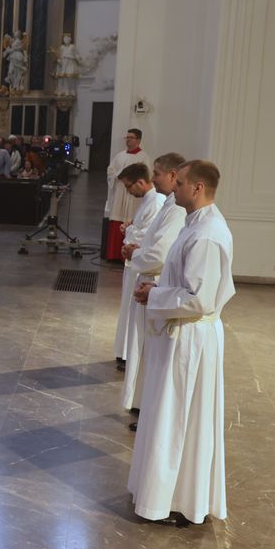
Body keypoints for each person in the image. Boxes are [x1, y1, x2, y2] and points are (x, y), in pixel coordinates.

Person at [129, 160, 234, 525]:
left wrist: (155, 296)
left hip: (191, 337)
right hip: (181, 333)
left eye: (182, 183)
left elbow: (200, 299)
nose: (175, 187)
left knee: (181, 421)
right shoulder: (195, 225)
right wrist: (158, 290)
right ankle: (165, 495)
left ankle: (182, 502)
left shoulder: (206, 234)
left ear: (199, 188)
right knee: (171, 417)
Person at [120, 153, 187, 418]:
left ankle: (144, 406)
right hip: (149, 280)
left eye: (157, 173)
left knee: (148, 350)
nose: (153, 178)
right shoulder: (169, 203)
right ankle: (140, 404)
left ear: (172, 175)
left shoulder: (176, 208)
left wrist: (136, 253)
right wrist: (140, 247)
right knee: (142, 348)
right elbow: (154, 240)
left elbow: (160, 254)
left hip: (157, 284)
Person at [111, 162, 164, 391]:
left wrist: (130, 231)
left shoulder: (158, 201)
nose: (128, 191)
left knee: (134, 316)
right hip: (135, 262)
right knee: (127, 311)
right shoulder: (148, 201)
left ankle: (129, 354)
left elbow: (148, 236)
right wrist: (131, 228)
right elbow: (142, 229)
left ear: (141, 182)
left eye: (129, 186)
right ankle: (124, 352)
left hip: (144, 265)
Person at [105, 128, 150, 261]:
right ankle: (113, 255)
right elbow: (110, 170)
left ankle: (127, 255)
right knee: (117, 219)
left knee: (131, 220)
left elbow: (146, 175)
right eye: (127, 137)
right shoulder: (120, 155)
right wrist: (117, 175)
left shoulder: (144, 157)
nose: (128, 140)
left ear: (138, 140)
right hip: (120, 191)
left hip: (133, 196)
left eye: (131, 137)